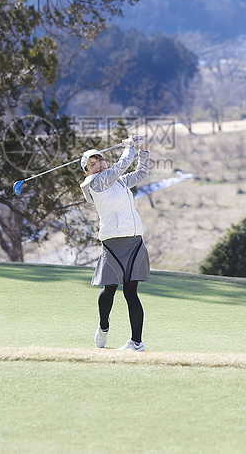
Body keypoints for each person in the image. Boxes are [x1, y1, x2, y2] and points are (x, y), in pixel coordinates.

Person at [80, 135, 150, 351]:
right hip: (112, 243)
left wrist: (143, 149)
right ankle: (103, 327)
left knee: (131, 292)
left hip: (134, 240)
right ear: (87, 171)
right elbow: (119, 168)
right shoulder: (94, 183)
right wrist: (129, 147)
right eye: (92, 164)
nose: (98, 165)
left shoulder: (119, 181)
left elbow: (142, 173)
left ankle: (136, 342)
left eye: (100, 160)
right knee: (109, 289)